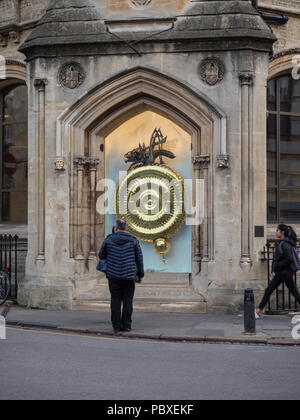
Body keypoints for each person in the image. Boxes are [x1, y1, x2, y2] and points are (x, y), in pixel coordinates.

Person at [99, 219, 144, 333]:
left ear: (116, 228)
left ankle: (116, 326)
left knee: (115, 300)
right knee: (128, 301)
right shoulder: (133, 241)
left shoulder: (108, 240)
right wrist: (140, 275)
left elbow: (101, 255)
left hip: (113, 275)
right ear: (125, 228)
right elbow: (139, 259)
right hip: (128, 276)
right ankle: (127, 325)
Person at [256, 224, 300, 319]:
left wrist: (277, 265)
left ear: (282, 232)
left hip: (285, 272)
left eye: (277, 230)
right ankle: (258, 311)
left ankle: (258, 310)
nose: (276, 232)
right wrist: (275, 268)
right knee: (269, 290)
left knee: (294, 292)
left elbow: (289, 258)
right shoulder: (282, 243)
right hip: (281, 273)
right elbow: (278, 258)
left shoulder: (285, 244)